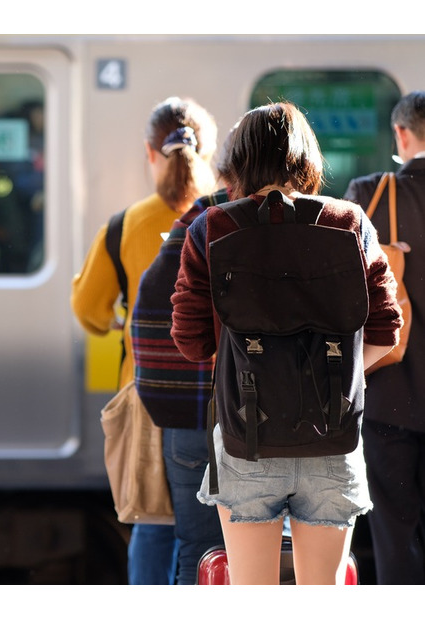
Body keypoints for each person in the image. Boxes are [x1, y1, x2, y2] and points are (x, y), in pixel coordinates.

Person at [171, 101, 402, 585]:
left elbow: (192, 344)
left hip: (245, 439)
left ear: (242, 161)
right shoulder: (350, 222)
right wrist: (335, 377)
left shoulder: (211, 228)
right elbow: (386, 330)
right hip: (333, 438)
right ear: (309, 160)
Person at [71, 96, 217, 584]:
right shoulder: (228, 215)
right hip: (222, 399)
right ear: (211, 153)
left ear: (150, 154)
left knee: (154, 525)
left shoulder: (125, 226)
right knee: (214, 534)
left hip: (148, 396)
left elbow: (88, 310)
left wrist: (121, 320)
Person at [130, 127, 237, 584]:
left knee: (197, 549)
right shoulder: (316, 221)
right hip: (288, 424)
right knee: (281, 551)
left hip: (194, 420)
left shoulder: (199, 220)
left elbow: (150, 317)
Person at [343, 90, 425, 584]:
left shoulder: (371, 195)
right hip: (390, 402)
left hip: (388, 397)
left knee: (394, 531)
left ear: (401, 134)